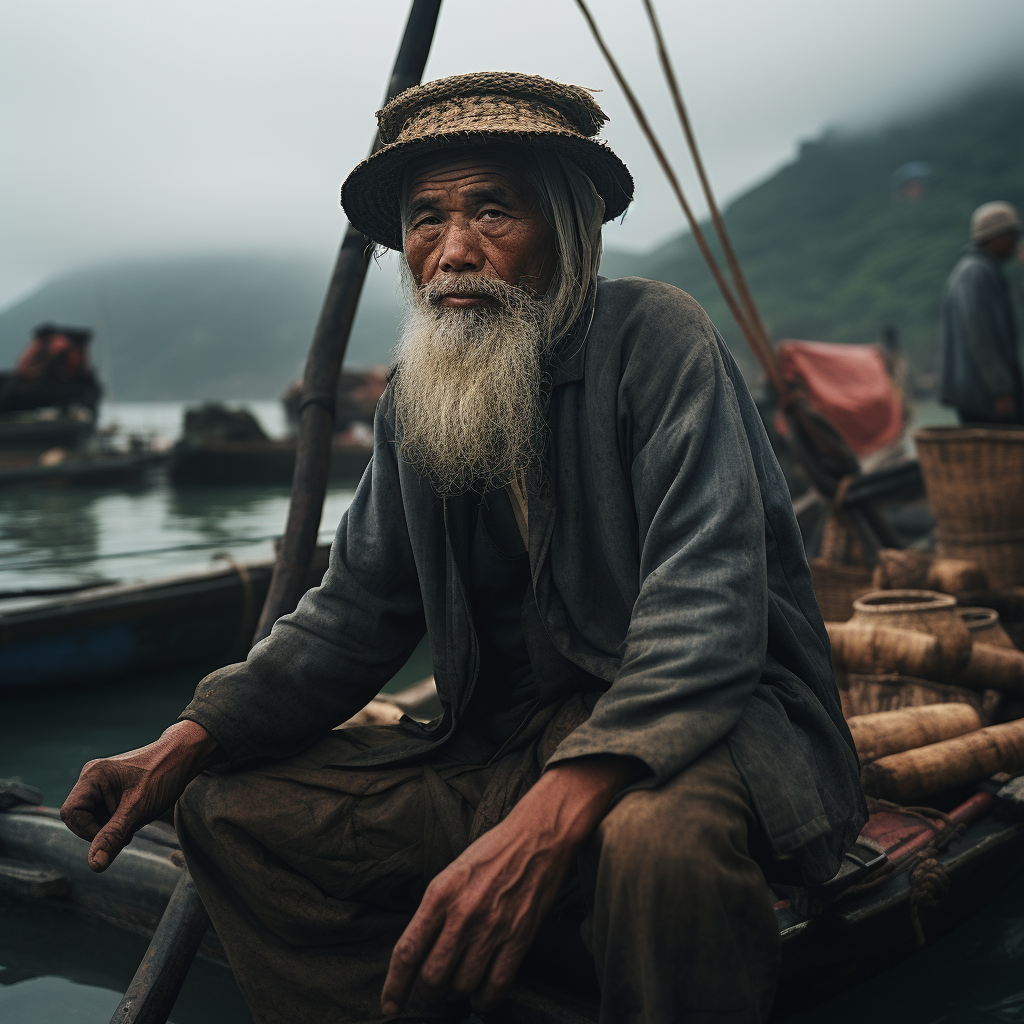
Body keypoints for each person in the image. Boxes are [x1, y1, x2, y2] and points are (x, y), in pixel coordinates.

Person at [61, 73, 865, 1024]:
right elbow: (355, 611)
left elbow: (708, 610)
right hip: (501, 749)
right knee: (228, 810)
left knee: (654, 846)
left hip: (713, 732)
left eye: (493, 211)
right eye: (426, 220)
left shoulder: (658, 339)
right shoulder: (421, 392)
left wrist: (551, 814)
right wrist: (193, 735)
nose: (453, 252)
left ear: (567, 229)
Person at [939, 201, 1022, 424]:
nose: (1016, 241)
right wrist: (1000, 388)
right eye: (1012, 234)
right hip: (982, 394)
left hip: (982, 390)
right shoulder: (975, 273)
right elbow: (980, 335)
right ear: (997, 236)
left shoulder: (982, 270)